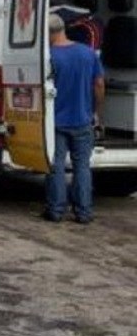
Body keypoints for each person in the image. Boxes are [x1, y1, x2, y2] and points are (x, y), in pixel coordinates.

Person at [45, 12, 105, 224]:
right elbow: (98, 84)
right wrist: (96, 112)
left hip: (56, 123)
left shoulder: (48, 57)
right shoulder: (88, 53)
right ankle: (84, 212)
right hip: (82, 119)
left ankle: (56, 210)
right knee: (82, 167)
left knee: (56, 165)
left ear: (48, 33)